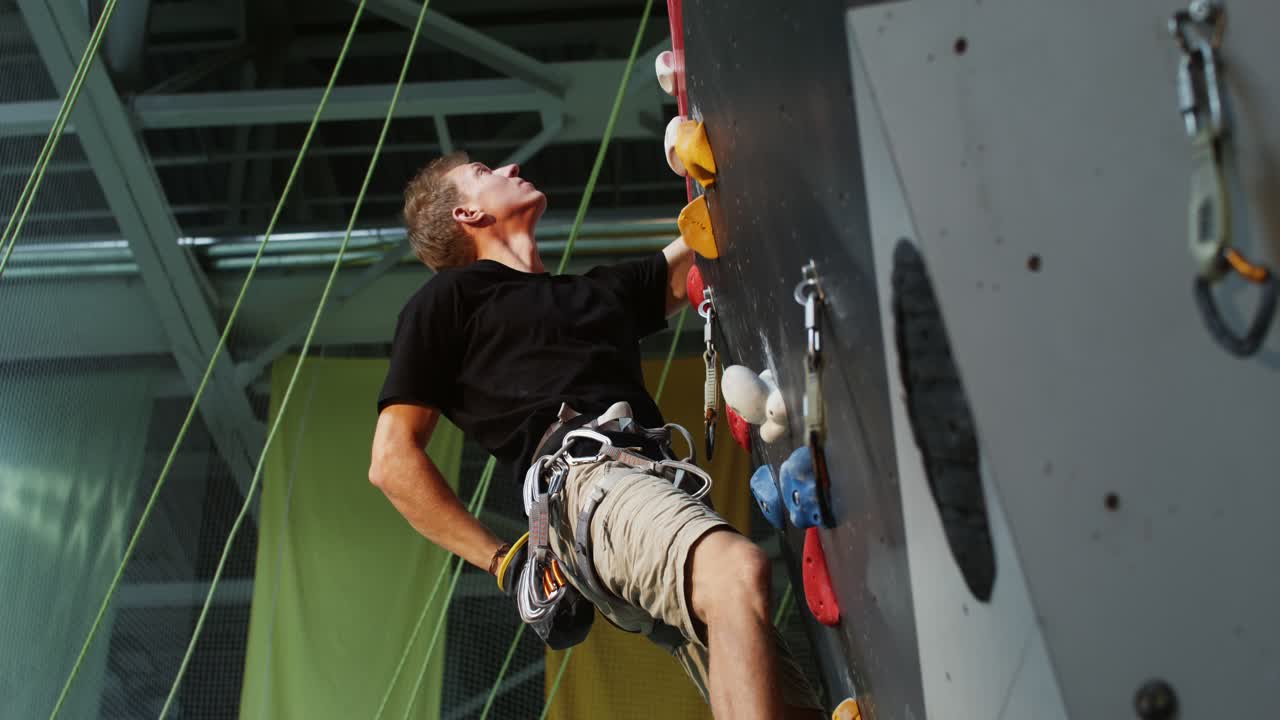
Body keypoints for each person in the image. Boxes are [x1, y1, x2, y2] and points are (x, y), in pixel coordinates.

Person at [368, 152, 822, 719]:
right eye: (486, 173)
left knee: (785, 700)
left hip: (647, 488)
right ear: (466, 213)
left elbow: (702, 242)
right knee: (736, 571)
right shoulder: (449, 300)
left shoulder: (595, 295)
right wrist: (503, 562)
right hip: (586, 484)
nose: (510, 168)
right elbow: (391, 460)